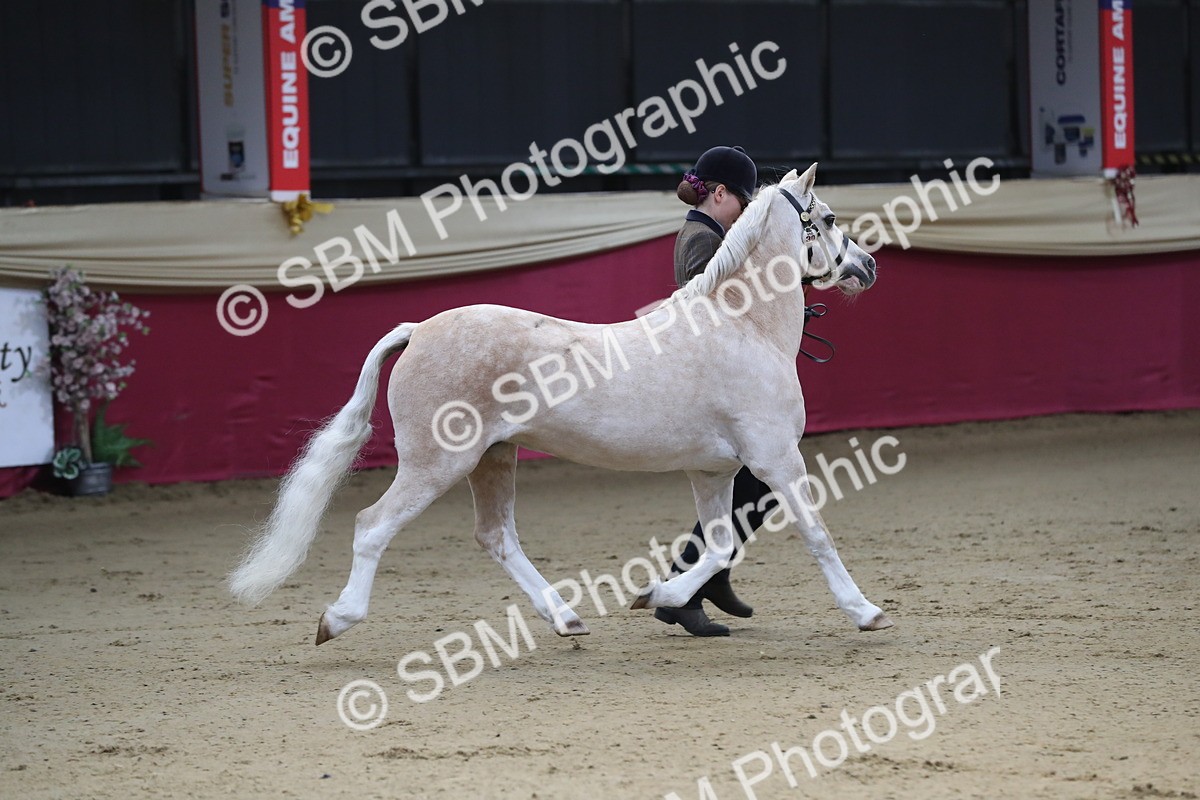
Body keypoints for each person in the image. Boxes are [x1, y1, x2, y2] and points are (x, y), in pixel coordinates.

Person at [654, 145, 780, 637]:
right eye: (744, 204)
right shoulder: (701, 240)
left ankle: (714, 577)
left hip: (716, 386)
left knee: (757, 487)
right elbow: (703, 313)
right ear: (721, 194)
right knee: (755, 484)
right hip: (709, 390)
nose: (746, 213)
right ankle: (685, 586)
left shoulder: (706, 233)